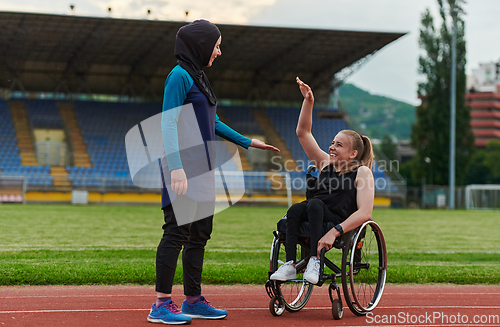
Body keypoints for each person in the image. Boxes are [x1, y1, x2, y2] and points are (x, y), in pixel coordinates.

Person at [148, 20, 279, 325]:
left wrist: (248, 142)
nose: (219, 51)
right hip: (183, 167)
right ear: (200, 45)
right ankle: (161, 304)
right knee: (176, 232)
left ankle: (193, 300)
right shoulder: (179, 76)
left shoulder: (199, 77)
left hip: (204, 169)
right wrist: (176, 167)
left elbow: (214, 122)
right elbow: (168, 122)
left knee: (200, 235)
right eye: (217, 45)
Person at [270, 77, 375, 285]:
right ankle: (290, 264)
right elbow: (303, 132)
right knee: (295, 210)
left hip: (337, 220)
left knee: (315, 204)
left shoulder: (362, 172)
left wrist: (336, 231)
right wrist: (308, 101)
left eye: (339, 145)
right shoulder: (325, 164)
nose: (332, 147)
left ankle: (315, 262)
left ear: (353, 153)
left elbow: (365, 213)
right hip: (315, 213)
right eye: (332, 143)